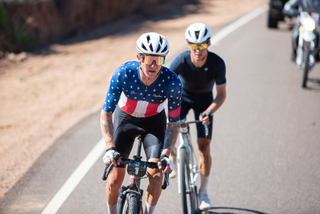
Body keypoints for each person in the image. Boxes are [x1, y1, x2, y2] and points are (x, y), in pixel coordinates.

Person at [100, 32, 182, 214]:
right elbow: (106, 113)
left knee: (156, 174)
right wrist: (109, 147)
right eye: (148, 59)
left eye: (159, 61)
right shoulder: (123, 74)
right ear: (139, 57)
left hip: (153, 123)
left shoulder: (172, 82)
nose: (153, 65)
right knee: (115, 179)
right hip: (125, 119)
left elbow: (174, 123)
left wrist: (166, 154)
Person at [169, 23, 226, 211]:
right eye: (193, 46)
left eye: (201, 46)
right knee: (170, 130)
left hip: (205, 102)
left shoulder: (217, 63)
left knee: (204, 148)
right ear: (188, 45)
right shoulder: (180, 61)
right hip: (183, 98)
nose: (198, 51)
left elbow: (221, 95)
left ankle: (203, 192)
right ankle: (175, 157)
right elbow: (166, 87)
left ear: (209, 44)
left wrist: (209, 111)